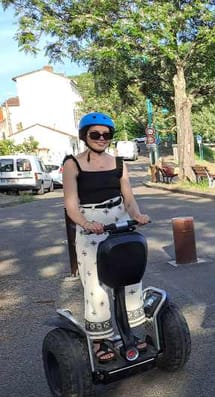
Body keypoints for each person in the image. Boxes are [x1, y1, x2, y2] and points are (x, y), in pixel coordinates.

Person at [62, 112, 150, 363]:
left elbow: (129, 198)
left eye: (106, 134)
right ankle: (102, 340)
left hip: (120, 222)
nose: (102, 138)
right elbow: (70, 205)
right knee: (96, 284)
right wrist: (87, 224)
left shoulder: (120, 163)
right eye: (95, 134)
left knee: (130, 276)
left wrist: (138, 215)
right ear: (84, 136)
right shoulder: (72, 164)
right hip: (91, 225)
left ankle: (130, 332)